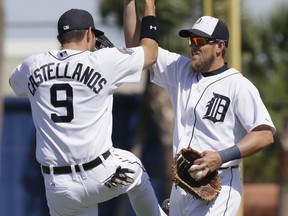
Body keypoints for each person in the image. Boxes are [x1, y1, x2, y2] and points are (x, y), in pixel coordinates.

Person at [9, 2, 167, 216]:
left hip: (58, 187)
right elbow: (150, 54)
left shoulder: (32, 64)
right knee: (135, 168)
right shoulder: (102, 61)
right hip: (102, 175)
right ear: (89, 33)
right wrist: (149, 7)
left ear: (59, 40)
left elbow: (14, 83)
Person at [123, 1, 276, 215]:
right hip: (181, 186)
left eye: (200, 40)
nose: (193, 45)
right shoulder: (181, 70)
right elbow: (138, 49)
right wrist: (132, 4)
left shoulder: (238, 85)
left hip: (219, 184)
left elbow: (264, 135)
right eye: (191, 39)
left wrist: (222, 156)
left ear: (220, 47)